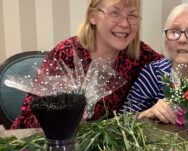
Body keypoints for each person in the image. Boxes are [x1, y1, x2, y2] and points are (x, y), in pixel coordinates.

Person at [11, 0, 163, 129]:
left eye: (132, 15)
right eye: (114, 13)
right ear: (93, 16)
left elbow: (173, 70)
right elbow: (28, 117)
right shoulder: (66, 54)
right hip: (49, 148)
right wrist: (62, 117)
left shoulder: (140, 55)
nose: (125, 23)